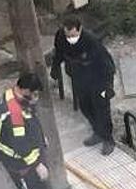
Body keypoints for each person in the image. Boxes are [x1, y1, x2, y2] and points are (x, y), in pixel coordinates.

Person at [50, 15, 116, 155]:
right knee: (85, 106)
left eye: (73, 35)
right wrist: (55, 69)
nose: (70, 39)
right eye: (68, 35)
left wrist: (108, 87)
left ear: (80, 30)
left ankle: (108, 139)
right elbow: (59, 53)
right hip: (79, 77)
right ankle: (97, 132)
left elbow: (107, 64)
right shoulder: (61, 37)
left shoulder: (91, 41)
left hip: (99, 77)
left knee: (101, 109)